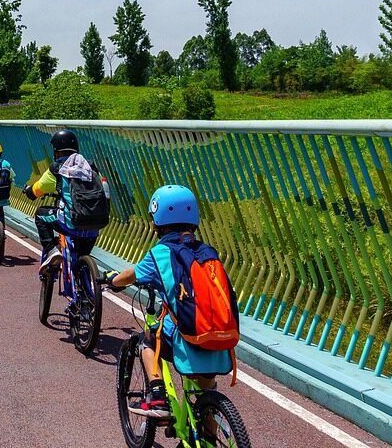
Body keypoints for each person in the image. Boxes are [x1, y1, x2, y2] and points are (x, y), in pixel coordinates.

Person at [106, 185, 236, 418]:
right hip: (219, 334)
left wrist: (113, 281)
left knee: (146, 341)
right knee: (206, 392)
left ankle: (158, 398)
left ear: (158, 221)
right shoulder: (207, 251)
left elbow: (132, 275)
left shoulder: (161, 253)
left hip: (185, 335)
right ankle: (209, 430)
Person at [21, 129, 104, 276]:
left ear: (56, 150)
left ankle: (51, 250)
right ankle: (84, 285)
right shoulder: (90, 167)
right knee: (80, 261)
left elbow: (37, 190)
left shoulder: (57, 169)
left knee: (40, 214)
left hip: (71, 222)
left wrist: (28, 190)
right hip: (96, 224)